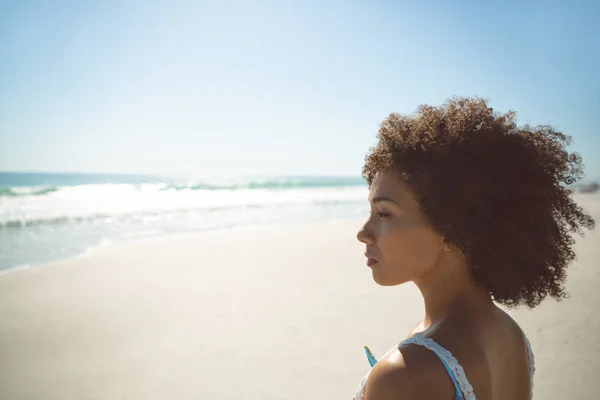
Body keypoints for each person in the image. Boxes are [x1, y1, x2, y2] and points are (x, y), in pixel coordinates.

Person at [353, 97, 595, 400]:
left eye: (384, 214)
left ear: (451, 228)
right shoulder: (508, 334)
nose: (363, 233)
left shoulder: (407, 373)